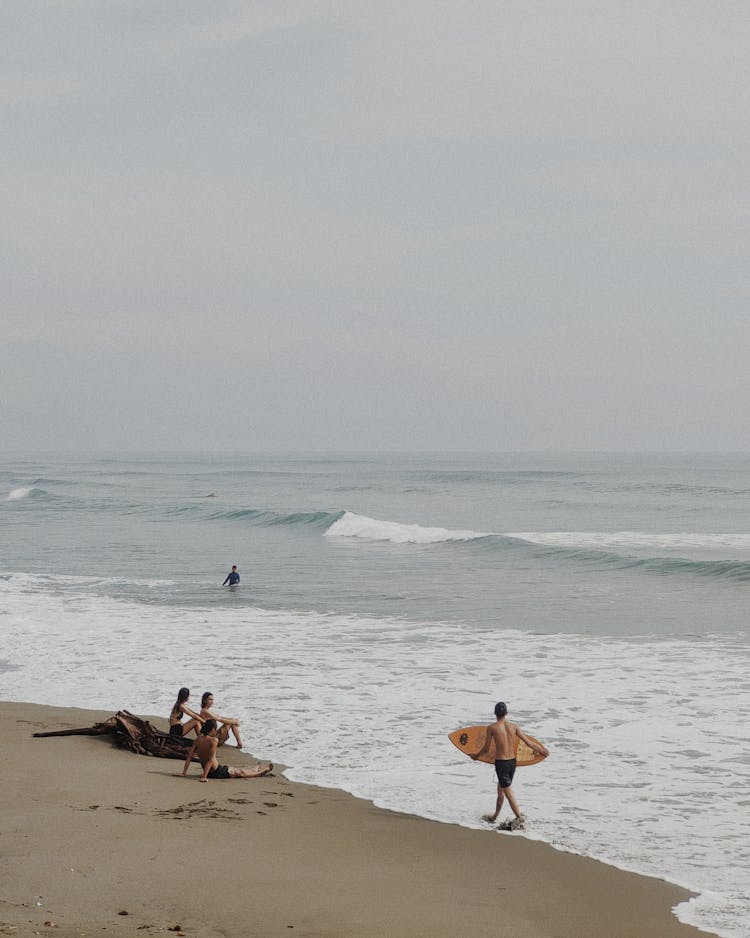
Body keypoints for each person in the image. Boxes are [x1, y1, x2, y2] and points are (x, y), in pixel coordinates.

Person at [471, 701, 549, 829]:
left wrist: (475, 756)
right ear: (506, 713)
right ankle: (495, 816)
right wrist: (543, 750)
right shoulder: (514, 727)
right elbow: (528, 743)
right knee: (501, 790)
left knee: (507, 791)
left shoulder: (492, 728)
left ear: (495, 713)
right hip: (512, 762)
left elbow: (485, 749)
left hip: (501, 763)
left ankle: (519, 818)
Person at [179, 719, 272, 782]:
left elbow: (189, 756)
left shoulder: (198, 738)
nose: (216, 731)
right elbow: (211, 760)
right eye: (215, 729)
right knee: (240, 773)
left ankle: (255, 769)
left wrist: (184, 773)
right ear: (212, 729)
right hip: (216, 771)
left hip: (211, 771)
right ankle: (261, 772)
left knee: (237, 770)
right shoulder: (213, 740)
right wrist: (204, 777)